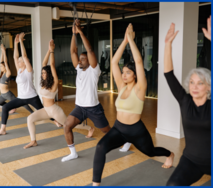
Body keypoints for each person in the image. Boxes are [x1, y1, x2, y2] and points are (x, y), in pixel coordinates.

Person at [92, 24, 174, 186]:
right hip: (118, 129)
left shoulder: (140, 88)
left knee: (151, 152)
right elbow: (114, 62)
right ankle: (96, 184)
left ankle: (169, 154)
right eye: (123, 72)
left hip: (136, 131)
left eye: (128, 72)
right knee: (100, 147)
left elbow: (138, 60)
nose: (123, 75)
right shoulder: (121, 87)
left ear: (136, 75)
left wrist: (131, 39)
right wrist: (124, 41)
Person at [24, 39, 94, 149]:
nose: (42, 74)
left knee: (71, 125)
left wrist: (52, 51)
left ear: (49, 74)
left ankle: (89, 128)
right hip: (46, 110)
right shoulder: (44, 83)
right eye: (42, 73)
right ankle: (33, 141)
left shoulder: (54, 83)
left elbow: (51, 64)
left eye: (44, 73)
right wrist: (48, 50)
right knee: (30, 119)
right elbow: (44, 63)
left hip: (54, 111)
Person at [165, 18, 211, 186]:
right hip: (191, 161)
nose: (195, 86)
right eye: (192, 82)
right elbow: (169, 75)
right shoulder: (185, 101)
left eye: (200, 83)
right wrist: (167, 45)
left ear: (208, 87)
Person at [62, 19, 111, 162]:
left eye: (83, 59)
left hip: (94, 108)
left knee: (106, 131)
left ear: (89, 61)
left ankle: (124, 140)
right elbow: (73, 51)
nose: (80, 61)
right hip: (80, 107)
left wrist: (81, 32)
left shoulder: (94, 70)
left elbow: (89, 50)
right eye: (80, 59)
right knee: (67, 126)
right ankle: (73, 153)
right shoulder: (79, 69)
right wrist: (74, 34)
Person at [0, 33, 43, 137]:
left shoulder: (29, 70)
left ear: (25, 62)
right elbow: (15, 57)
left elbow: (24, 56)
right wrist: (16, 43)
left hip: (32, 97)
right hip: (21, 98)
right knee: (5, 108)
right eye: (18, 61)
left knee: (44, 112)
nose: (18, 62)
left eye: (20, 61)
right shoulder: (19, 71)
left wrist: (21, 42)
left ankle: (56, 121)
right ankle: (3, 129)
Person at [0, 43, 33, 127]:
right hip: (2, 95)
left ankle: (32, 113)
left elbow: (5, 61)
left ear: (5, 66)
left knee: (23, 103)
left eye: (2, 66)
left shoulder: (8, 73)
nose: (1, 67)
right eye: (1, 66)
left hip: (8, 94)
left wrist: (4, 52)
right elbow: (1, 61)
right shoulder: (2, 73)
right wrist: (2, 52)